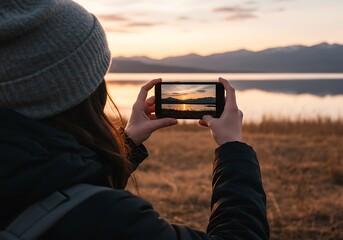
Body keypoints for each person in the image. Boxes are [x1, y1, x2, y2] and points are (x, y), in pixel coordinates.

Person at [0, 0, 269, 239]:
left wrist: (127, 141)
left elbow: (56, 191)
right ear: (82, 91)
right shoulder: (113, 219)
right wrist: (232, 146)